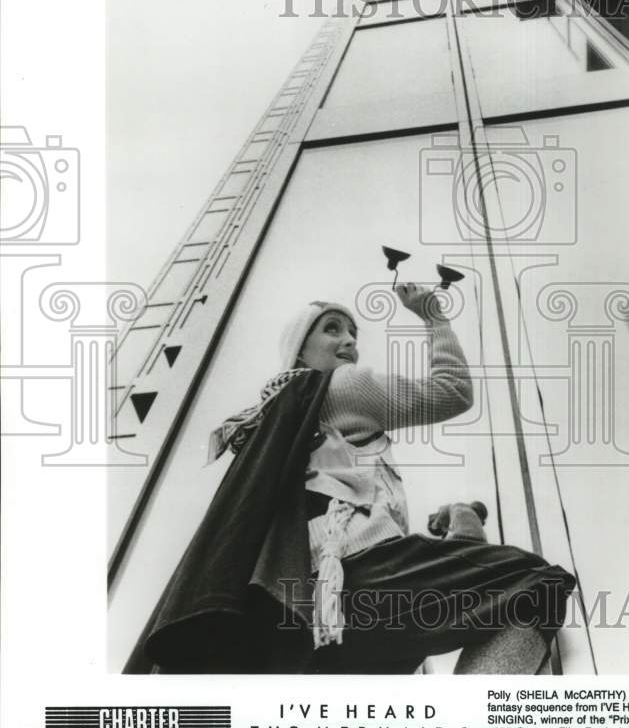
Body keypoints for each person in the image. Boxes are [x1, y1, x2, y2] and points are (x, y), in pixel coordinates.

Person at [141, 285, 575, 675]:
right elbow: (453, 391)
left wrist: (463, 516)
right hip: (358, 572)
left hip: (301, 600)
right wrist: (433, 315)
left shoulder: (275, 417)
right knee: (535, 583)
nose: (348, 341)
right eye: (332, 329)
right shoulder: (339, 387)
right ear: (300, 351)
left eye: (353, 334)